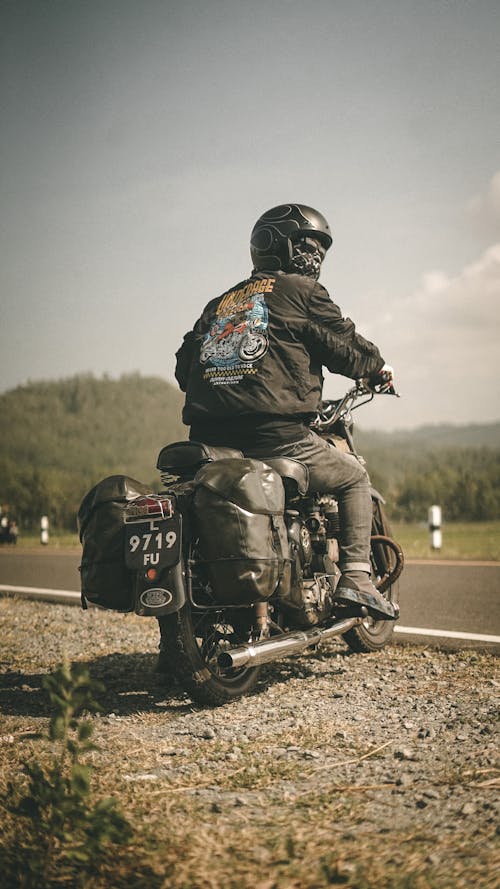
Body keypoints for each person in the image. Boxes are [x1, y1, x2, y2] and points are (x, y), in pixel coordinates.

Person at [175, 204, 398, 621]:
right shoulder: (301, 292)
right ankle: (355, 579)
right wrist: (377, 367)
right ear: (280, 246)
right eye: (308, 245)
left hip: (207, 440)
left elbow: (184, 368)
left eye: (320, 249)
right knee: (353, 476)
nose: (315, 256)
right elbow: (344, 346)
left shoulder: (219, 304)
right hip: (275, 435)